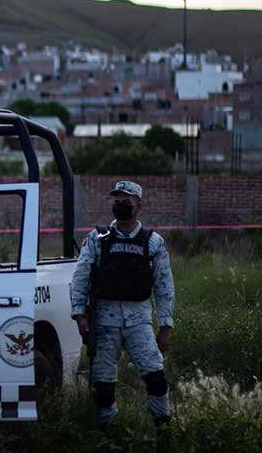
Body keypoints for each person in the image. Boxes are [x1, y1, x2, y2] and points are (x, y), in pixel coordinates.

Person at [70, 180, 175, 429]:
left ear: (139, 205)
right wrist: (79, 314)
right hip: (104, 321)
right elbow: (81, 276)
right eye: (116, 200)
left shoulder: (153, 242)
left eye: (125, 200)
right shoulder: (98, 239)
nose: (120, 204)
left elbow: (164, 286)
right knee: (104, 386)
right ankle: (108, 432)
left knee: (156, 378)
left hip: (139, 320)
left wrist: (166, 325)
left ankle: (163, 428)